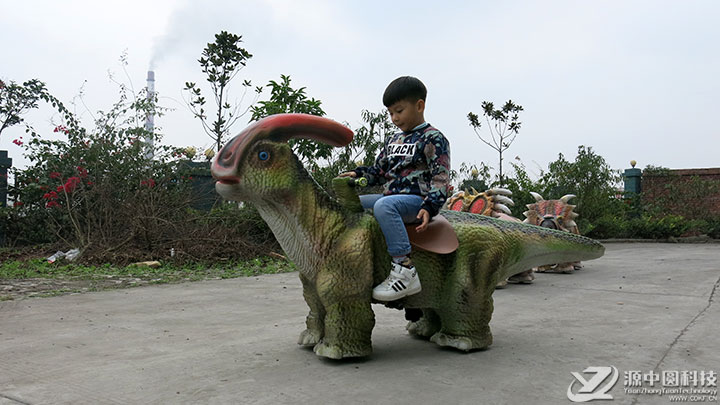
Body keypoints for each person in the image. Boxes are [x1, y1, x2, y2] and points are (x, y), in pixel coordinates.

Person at [340, 76, 451, 302]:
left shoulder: (434, 138)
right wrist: (359, 173)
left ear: (419, 106)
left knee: (383, 206)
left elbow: (440, 178)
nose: (394, 118)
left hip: (416, 200)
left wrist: (430, 206)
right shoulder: (394, 140)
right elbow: (380, 171)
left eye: (399, 111)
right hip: (390, 197)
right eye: (390, 113)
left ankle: (404, 268)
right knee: (352, 203)